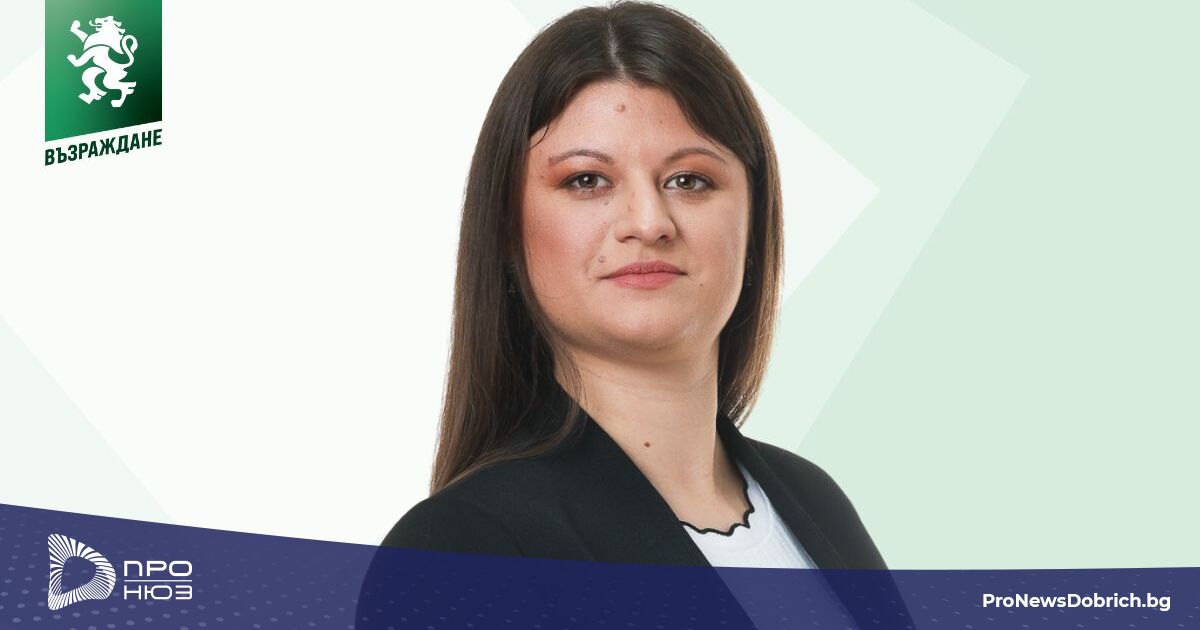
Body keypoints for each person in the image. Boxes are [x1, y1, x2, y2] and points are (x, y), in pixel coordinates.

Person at [357, 4, 913, 627]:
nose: (648, 223)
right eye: (587, 180)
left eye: (689, 180)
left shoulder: (817, 503)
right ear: (508, 230)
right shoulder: (459, 551)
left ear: (753, 221)